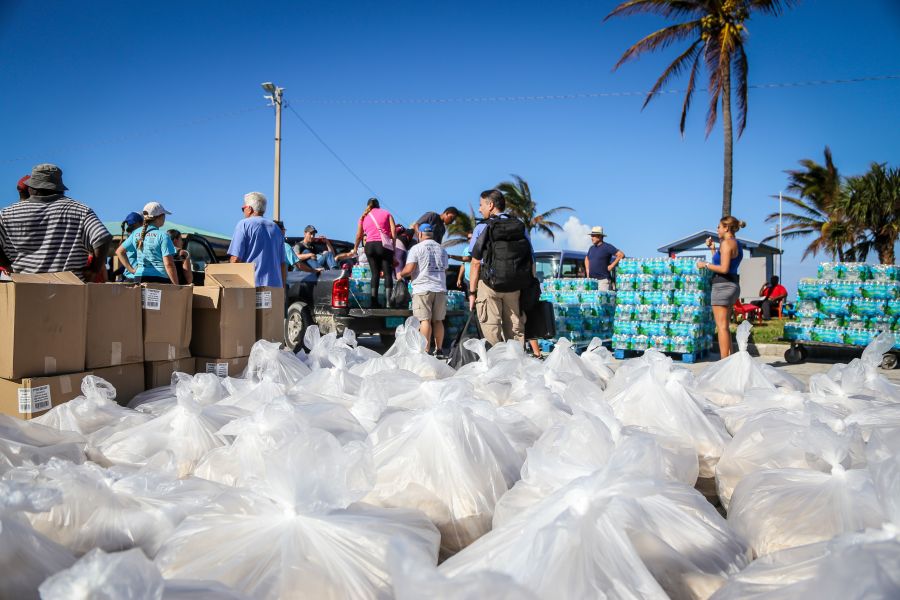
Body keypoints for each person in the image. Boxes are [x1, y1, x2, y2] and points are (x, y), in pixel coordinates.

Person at [0, 163, 111, 281]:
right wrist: (94, 269)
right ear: (59, 187)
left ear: (32, 188)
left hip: (25, 289)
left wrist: (6, 264)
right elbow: (102, 238)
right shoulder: (80, 211)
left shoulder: (7, 213)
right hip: (70, 291)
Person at [468, 189, 534, 346]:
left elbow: (476, 262)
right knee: (515, 329)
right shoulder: (519, 226)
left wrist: (472, 292)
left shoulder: (482, 228)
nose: (479, 209)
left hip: (489, 285)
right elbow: (531, 257)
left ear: (490, 205)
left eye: (481, 205)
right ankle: (516, 364)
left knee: (492, 327)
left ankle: (497, 364)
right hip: (514, 286)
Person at [699, 216, 746, 358]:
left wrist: (705, 264)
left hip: (722, 286)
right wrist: (713, 250)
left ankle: (724, 362)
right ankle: (729, 360)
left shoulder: (726, 244)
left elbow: (724, 268)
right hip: (732, 285)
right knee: (724, 326)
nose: (717, 229)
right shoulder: (736, 243)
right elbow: (726, 264)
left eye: (718, 227)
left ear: (726, 228)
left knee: (722, 327)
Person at [400, 223, 449, 356]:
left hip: (423, 288)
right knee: (438, 320)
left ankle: (425, 351)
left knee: (425, 320)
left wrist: (400, 274)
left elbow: (410, 269)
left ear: (420, 234)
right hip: (439, 288)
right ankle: (439, 350)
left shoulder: (416, 249)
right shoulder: (442, 249)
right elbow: (445, 268)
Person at [228, 192, 286, 287]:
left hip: (252, 286)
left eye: (243, 208)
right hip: (275, 289)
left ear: (249, 209)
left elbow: (235, 259)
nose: (243, 211)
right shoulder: (276, 228)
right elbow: (282, 264)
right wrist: (282, 291)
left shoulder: (244, 224)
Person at [116, 202, 179, 284]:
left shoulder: (135, 233)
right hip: (159, 279)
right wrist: (177, 286)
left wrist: (131, 270)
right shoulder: (163, 236)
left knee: (141, 297)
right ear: (160, 217)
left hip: (139, 277)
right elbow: (169, 264)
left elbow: (119, 251)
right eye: (164, 215)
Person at [353, 198, 396, 308]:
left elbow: (359, 235)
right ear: (378, 205)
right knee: (387, 274)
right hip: (383, 246)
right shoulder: (387, 213)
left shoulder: (363, 217)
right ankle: (388, 303)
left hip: (369, 247)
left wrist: (355, 248)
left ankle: (374, 302)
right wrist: (393, 247)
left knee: (375, 274)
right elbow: (393, 232)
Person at [584, 226, 624, 291]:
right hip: (592, 281)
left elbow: (621, 255)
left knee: (602, 301)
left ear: (599, 237)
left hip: (603, 281)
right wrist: (587, 270)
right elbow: (586, 258)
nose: (591, 238)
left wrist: (612, 265)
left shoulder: (607, 247)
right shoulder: (591, 248)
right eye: (591, 236)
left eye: (593, 236)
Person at [115, 212, 144, 281]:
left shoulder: (130, 237)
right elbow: (119, 252)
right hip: (134, 277)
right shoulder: (136, 237)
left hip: (129, 276)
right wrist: (132, 270)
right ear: (141, 223)